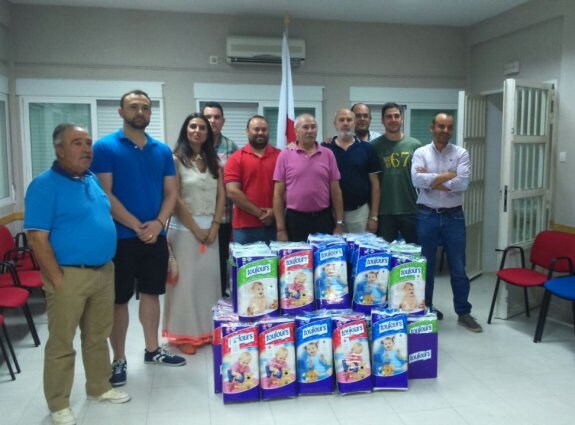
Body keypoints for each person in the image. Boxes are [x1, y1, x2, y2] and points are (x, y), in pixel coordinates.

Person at [25, 124, 130, 425]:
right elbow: (37, 238)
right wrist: (57, 279)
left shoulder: (91, 178)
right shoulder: (44, 185)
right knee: (62, 342)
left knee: (97, 336)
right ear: (59, 149)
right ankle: (58, 403)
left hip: (103, 272)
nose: (86, 149)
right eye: (77, 143)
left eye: (88, 143)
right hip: (68, 276)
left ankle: (99, 387)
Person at [91, 90, 186, 389]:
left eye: (145, 107)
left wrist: (157, 224)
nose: (140, 111)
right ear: (121, 111)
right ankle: (118, 358)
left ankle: (152, 350)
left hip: (154, 236)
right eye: (134, 107)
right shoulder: (104, 147)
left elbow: (171, 193)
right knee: (118, 301)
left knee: (151, 294)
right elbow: (106, 194)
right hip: (120, 238)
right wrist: (137, 226)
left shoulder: (161, 151)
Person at [411, 112, 483, 332]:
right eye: (441, 126)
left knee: (459, 268)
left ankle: (464, 312)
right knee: (427, 266)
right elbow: (416, 180)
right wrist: (447, 175)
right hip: (427, 215)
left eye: (449, 127)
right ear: (432, 127)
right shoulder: (420, 152)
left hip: (454, 217)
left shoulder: (461, 153)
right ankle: (427, 309)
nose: (445, 131)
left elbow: (462, 184)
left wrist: (431, 178)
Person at [162, 113, 225, 355]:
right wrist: (196, 229)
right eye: (193, 126)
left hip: (211, 230)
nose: (197, 131)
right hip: (185, 231)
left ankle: (206, 330)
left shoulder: (213, 161)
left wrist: (216, 225)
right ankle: (184, 333)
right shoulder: (176, 159)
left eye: (202, 127)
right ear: (186, 131)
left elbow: (221, 195)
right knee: (185, 285)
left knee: (207, 283)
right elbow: (174, 198)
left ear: (208, 133)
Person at [273, 114, 344, 242]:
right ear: (296, 131)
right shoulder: (285, 155)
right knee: (298, 261)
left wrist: (339, 223)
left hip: (323, 218)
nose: (310, 131)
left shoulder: (328, 154)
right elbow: (278, 194)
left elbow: (336, 191)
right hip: (295, 220)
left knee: (325, 262)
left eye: (313, 127)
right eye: (305, 127)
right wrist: (281, 229)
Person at [224, 115, 280, 244]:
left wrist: (274, 212)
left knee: (276, 264)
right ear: (247, 131)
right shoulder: (235, 158)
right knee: (245, 264)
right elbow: (232, 192)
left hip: (276, 225)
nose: (260, 132)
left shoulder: (281, 156)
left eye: (264, 129)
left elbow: (288, 189)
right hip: (244, 228)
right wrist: (260, 213)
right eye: (256, 129)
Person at [322, 108, 380, 233]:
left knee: (360, 251)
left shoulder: (367, 149)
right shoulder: (325, 149)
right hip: (330, 214)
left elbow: (375, 184)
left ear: (354, 123)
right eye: (341, 120)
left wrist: (374, 216)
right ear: (335, 124)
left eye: (349, 120)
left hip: (359, 213)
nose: (345, 123)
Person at [371, 102, 422, 243]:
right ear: (382, 120)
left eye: (396, 116)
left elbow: (422, 179)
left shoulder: (415, 145)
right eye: (389, 117)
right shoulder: (374, 146)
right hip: (384, 211)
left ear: (402, 118)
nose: (393, 120)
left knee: (413, 255)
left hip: (410, 209)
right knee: (384, 256)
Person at [202, 102, 238, 296]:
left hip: (224, 216)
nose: (212, 121)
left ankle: (221, 301)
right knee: (201, 260)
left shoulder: (231, 147)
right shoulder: (194, 146)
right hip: (198, 217)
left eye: (216, 117)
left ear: (223, 121)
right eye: (208, 117)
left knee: (222, 258)